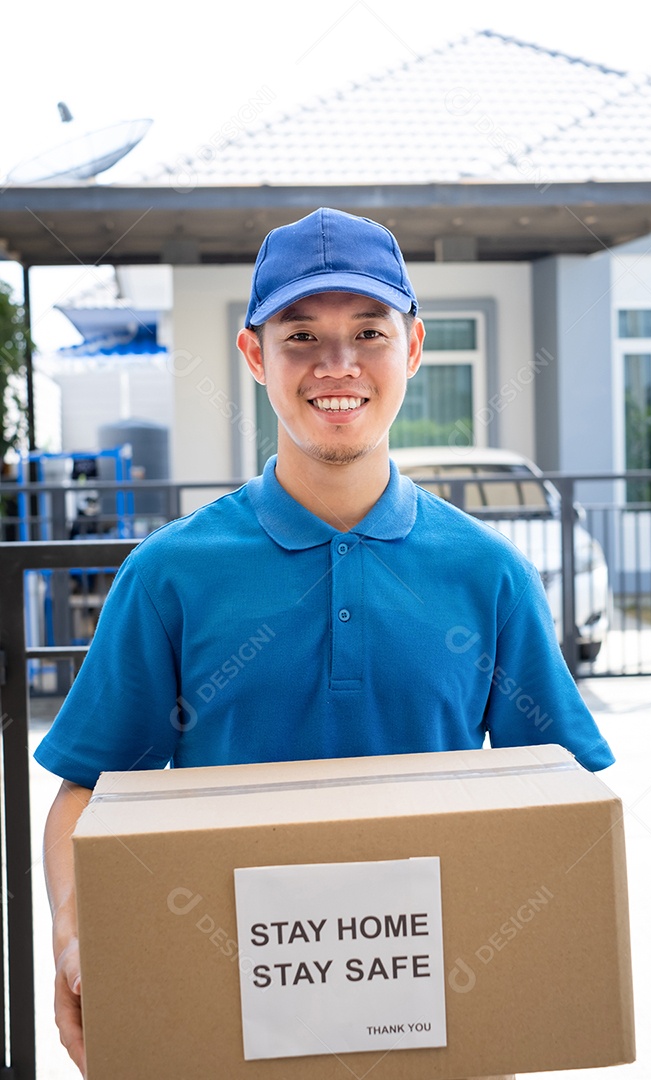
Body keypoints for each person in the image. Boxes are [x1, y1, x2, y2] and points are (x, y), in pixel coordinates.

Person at [35, 207, 613, 1079]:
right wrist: (77, 935)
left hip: (441, 1030)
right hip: (224, 1022)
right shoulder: (169, 575)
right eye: (302, 333)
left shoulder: (487, 574)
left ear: (412, 348)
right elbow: (87, 788)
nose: (337, 366)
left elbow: (563, 808)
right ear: (254, 355)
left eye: (368, 332)